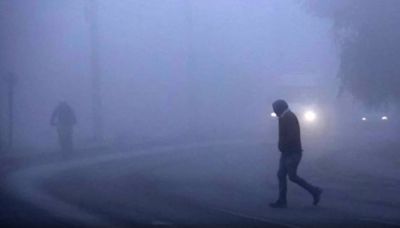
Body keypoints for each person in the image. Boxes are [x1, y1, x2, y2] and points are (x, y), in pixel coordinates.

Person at [270, 99, 322, 208]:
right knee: (282, 175)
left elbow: (291, 136)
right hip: (287, 152)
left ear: (280, 108)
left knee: (291, 176)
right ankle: (282, 200)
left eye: (275, 109)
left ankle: (314, 191)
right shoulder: (284, 117)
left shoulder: (289, 117)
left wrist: (283, 146)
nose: (274, 111)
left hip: (292, 152)